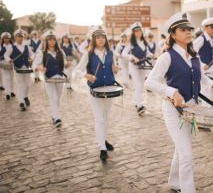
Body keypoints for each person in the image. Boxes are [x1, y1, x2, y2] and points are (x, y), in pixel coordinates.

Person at [145, 12, 213, 193]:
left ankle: (174, 182)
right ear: (173, 34)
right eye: (183, 29)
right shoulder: (167, 57)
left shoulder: (194, 56)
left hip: (191, 110)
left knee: (181, 149)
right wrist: (171, 91)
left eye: (189, 29)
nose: (188, 32)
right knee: (186, 154)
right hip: (173, 111)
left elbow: (203, 78)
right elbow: (149, 82)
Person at [75, 25, 119, 161]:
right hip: (95, 90)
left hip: (109, 89)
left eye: (102, 37)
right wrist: (85, 75)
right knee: (99, 118)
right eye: (98, 37)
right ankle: (102, 148)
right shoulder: (88, 54)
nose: (100, 40)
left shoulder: (111, 53)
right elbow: (76, 71)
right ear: (93, 39)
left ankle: (103, 140)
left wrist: (115, 69)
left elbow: (113, 68)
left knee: (105, 117)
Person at [33, 31, 67, 127]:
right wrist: (40, 68)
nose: (52, 42)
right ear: (46, 41)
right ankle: (57, 118)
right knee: (53, 98)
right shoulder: (42, 53)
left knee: (58, 99)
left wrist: (67, 64)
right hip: (49, 78)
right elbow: (34, 65)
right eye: (50, 40)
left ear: (56, 41)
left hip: (60, 78)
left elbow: (64, 63)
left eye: (53, 40)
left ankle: (54, 114)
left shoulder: (60, 52)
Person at [122, 22, 152, 115]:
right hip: (134, 66)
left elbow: (147, 53)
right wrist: (132, 57)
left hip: (143, 66)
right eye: (136, 31)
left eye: (139, 30)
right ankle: (140, 106)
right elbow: (124, 54)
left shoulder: (144, 42)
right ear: (133, 33)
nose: (138, 32)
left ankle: (136, 102)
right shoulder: (131, 43)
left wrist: (152, 55)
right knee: (138, 85)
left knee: (141, 86)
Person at [4, 29, 35, 111]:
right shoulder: (12, 47)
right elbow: (6, 55)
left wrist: (31, 58)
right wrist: (9, 60)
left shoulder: (27, 47)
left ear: (23, 37)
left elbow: (33, 54)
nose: (20, 38)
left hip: (27, 68)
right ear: (15, 37)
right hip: (18, 68)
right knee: (20, 84)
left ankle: (25, 96)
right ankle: (21, 102)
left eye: (21, 36)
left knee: (28, 84)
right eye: (18, 36)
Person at [193, 17, 213, 99]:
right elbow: (193, 52)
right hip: (204, 68)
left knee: (211, 89)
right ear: (205, 28)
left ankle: (208, 107)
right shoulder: (201, 39)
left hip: (212, 67)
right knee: (205, 90)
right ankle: (205, 107)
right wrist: (201, 65)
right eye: (212, 27)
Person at [0, 32, 16, 100]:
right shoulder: (1, 46)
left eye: (7, 38)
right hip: (3, 63)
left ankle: (11, 91)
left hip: (11, 63)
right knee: (6, 78)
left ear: (9, 39)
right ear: (3, 39)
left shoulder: (12, 46)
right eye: (5, 38)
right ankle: (7, 93)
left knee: (11, 77)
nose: (6, 39)